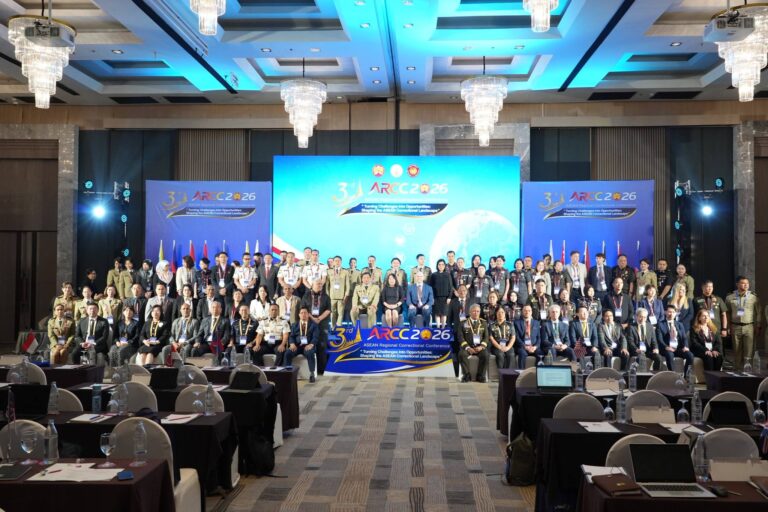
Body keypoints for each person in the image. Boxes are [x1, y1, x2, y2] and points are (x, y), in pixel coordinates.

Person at [725, 276, 761, 370]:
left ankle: (748, 371)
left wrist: (758, 325)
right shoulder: (730, 297)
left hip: (749, 327)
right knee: (736, 351)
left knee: (749, 351)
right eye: (743, 283)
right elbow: (727, 313)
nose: (746, 285)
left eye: (747, 283)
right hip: (735, 326)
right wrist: (728, 326)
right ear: (737, 284)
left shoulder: (753, 297)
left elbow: (758, 312)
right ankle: (737, 370)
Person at [301, 280, 332, 375]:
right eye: (318, 284)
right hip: (310, 323)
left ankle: (322, 369)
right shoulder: (306, 296)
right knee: (311, 344)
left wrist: (319, 318)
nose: (320, 285)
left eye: (321, 284)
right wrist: (312, 318)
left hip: (322, 323)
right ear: (312, 285)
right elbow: (303, 308)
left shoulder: (326, 296)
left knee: (322, 345)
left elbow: (328, 310)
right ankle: (311, 369)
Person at [657, 303, 693, 374]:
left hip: (678, 348)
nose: (671, 314)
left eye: (673, 312)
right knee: (669, 355)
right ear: (665, 312)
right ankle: (673, 375)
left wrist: (685, 346)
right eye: (669, 312)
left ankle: (686, 375)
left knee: (690, 355)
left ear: (676, 313)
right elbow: (659, 339)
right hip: (667, 348)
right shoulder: (660, 324)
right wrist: (666, 347)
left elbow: (684, 338)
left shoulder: (679, 324)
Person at [285, 306, 318, 382]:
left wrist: (311, 344)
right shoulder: (294, 325)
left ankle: (312, 374)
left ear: (308, 314)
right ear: (299, 315)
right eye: (301, 313)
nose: (303, 314)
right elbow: (291, 336)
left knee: (310, 353)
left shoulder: (314, 325)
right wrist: (292, 343)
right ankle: (287, 373)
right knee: (287, 353)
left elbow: (315, 337)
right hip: (297, 346)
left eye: (305, 313)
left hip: (308, 346)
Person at [457, 304, 489, 383]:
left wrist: (481, 346)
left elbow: (486, 337)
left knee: (485, 355)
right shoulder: (463, 323)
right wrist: (468, 347)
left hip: (479, 347)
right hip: (467, 347)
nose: (476, 313)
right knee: (461, 354)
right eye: (474, 311)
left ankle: (481, 375)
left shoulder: (483, 323)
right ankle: (466, 375)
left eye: (478, 311)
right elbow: (460, 337)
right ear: (470, 312)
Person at [448, 285, 471, 377]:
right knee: (455, 353)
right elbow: (449, 318)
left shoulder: (471, 301)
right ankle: (456, 373)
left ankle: (466, 373)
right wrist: (450, 330)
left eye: (464, 290)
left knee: (464, 353)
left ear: (467, 291)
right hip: (456, 331)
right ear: (457, 292)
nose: (462, 292)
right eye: (460, 290)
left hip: (469, 331)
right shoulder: (453, 302)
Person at [514, 304, 543, 369]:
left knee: (540, 353)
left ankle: (537, 372)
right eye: (525, 310)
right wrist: (525, 346)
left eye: (529, 311)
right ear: (522, 312)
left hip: (533, 346)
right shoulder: (516, 323)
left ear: (531, 312)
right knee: (522, 353)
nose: (527, 312)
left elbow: (539, 337)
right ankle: (521, 373)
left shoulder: (536, 323)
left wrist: (535, 347)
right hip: (522, 346)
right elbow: (517, 337)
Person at [326, 256, 350, 329]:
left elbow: (347, 285)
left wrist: (346, 295)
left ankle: (339, 328)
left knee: (340, 313)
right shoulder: (329, 271)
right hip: (332, 296)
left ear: (341, 262)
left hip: (341, 296)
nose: (337, 262)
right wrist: (327, 295)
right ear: (333, 262)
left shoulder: (345, 271)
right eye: (336, 261)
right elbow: (327, 285)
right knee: (332, 313)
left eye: (339, 261)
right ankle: (333, 327)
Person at [430, 259, 453, 328]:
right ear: (437, 266)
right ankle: (438, 328)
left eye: (442, 264)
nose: (441, 266)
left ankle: (443, 328)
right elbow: (431, 287)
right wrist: (432, 298)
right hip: (436, 297)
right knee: (437, 313)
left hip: (445, 298)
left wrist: (449, 297)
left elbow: (451, 287)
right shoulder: (433, 275)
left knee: (444, 314)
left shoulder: (448, 274)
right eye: (439, 264)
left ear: (445, 266)